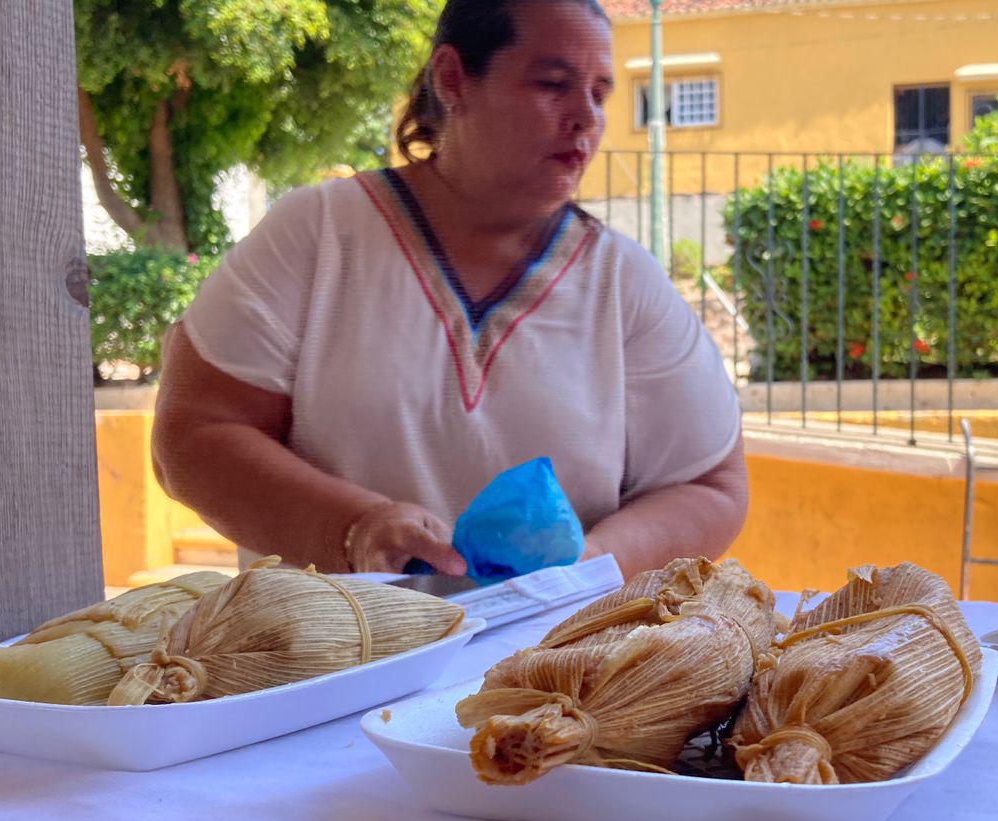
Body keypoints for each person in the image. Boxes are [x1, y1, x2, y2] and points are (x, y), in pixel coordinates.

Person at [151, 0, 746, 579]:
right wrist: (354, 529)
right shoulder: (320, 235)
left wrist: (591, 565)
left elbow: (710, 485)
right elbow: (194, 435)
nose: (586, 118)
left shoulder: (621, 281)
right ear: (453, 79)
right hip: (337, 645)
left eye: (599, 94)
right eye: (552, 84)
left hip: (555, 650)